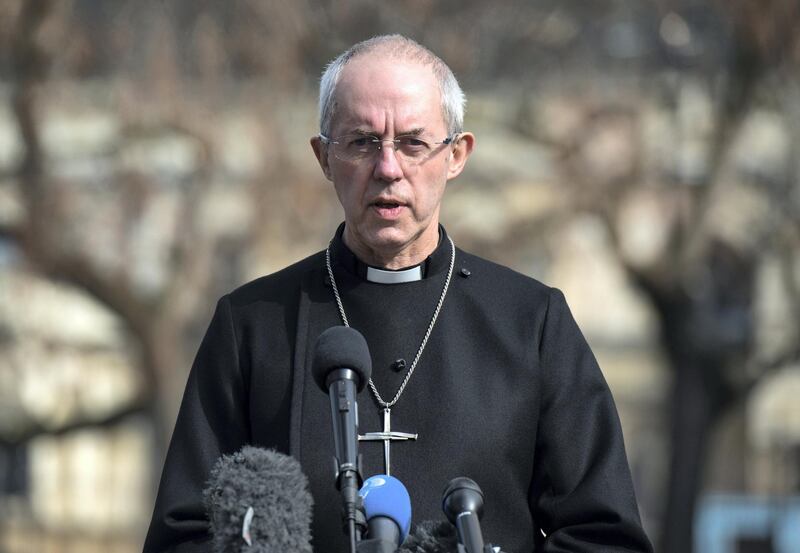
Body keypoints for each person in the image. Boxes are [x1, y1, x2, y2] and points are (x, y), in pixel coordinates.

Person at [143, 34, 653, 553]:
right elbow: (183, 537)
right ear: (323, 156)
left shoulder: (533, 323)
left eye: (413, 142)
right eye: (362, 141)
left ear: (456, 155)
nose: (388, 168)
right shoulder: (250, 327)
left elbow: (604, 537)